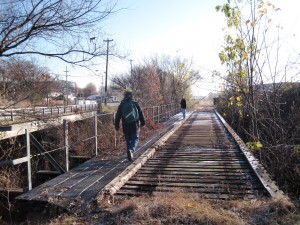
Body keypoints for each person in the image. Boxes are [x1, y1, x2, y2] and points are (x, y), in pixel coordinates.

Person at [115, 90, 145, 161]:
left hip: (126, 125)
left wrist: (117, 125)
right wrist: (143, 122)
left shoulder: (122, 104)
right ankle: (131, 150)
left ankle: (129, 153)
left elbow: (118, 116)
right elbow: (140, 113)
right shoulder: (135, 103)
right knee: (135, 138)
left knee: (128, 140)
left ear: (125, 96)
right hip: (135, 124)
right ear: (132, 96)